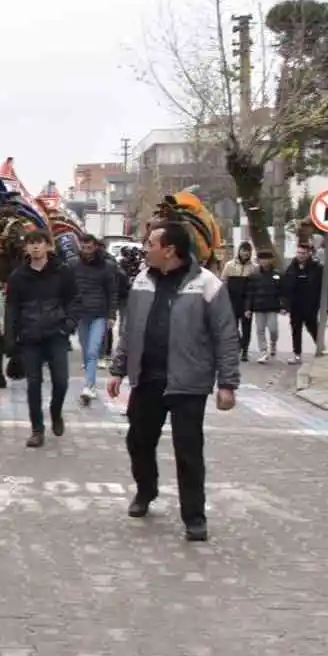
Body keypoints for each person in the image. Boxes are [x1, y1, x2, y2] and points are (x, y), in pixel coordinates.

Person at [107, 221, 240, 543]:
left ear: (169, 250)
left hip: (188, 382)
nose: (145, 248)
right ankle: (146, 490)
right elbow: (130, 330)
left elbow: (226, 335)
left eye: (150, 243)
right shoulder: (141, 281)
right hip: (148, 380)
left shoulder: (207, 284)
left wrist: (228, 384)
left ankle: (194, 517)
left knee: (188, 452)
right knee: (138, 442)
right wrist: (118, 369)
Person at [3, 229, 77, 447]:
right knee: (33, 384)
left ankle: (56, 412)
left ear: (47, 246)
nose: (35, 247)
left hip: (56, 334)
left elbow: (74, 300)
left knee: (61, 382)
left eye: (39, 243)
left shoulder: (62, 272)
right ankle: (37, 429)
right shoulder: (18, 276)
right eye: (31, 243)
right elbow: (11, 309)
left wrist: (69, 324)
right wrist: (10, 339)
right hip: (29, 336)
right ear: (26, 248)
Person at [71, 233, 117, 406]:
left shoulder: (107, 267)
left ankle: (88, 386)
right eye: (83, 247)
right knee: (85, 350)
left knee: (93, 350)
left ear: (96, 247)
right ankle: (89, 382)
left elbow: (112, 291)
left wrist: (112, 314)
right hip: (82, 314)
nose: (86, 251)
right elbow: (69, 288)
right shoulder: (73, 265)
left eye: (89, 247)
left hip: (100, 314)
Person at [282, 241, 326, 364]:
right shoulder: (291, 268)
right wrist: (285, 304)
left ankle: (321, 347)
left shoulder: (317, 268)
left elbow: (323, 287)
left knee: (313, 327)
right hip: (295, 306)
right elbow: (285, 286)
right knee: (296, 330)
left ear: (309, 254)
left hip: (310, 304)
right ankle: (297, 354)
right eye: (299, 253)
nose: (300, 255)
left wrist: (323, 305)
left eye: (303, 253)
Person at [246, 249, 283, 362]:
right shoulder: (254, 275)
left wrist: (283, 305)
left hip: (272, 307)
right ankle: (263, 351)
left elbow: (282, 292)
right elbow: (249, 293)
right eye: (262, 259)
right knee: (260, 330)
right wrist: (248, 308)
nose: (264, 261)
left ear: (271, 260)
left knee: (273, 329)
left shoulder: (277, 275)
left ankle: (273, 343)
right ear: (258, 260)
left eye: (267, 259)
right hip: (258, 307)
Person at [221, 242, 256, 361]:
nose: (245, 253)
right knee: (232, 326)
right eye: (243, 250)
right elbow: (224, 281)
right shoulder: (229, 265)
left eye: (248, 251)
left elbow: (255, 285)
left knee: (247, 327)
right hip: (232, 299)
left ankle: (245, 350)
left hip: (246, 300)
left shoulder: (253, 267)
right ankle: (238, 344)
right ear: (239, 251)